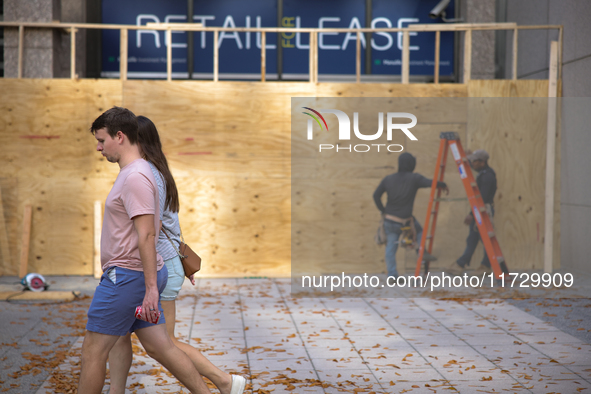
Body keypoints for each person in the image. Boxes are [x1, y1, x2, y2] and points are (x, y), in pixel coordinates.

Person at [107, 116, 246, 394]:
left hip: (158, 264)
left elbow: (150, 230)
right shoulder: (156, 170)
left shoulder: (146, 175)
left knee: (163, 344)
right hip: (161, 264)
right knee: (120, 336)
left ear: (137, 140)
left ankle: (224, 381)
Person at [79, 107, 211, 394]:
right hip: (133, 275)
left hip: (127, 276)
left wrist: (151, 288)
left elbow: (148, 233)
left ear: (120, 136)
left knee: (92, 351)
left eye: (102, 141)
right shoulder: (136, 172)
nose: (99, 148)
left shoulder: (136, 176)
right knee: (161, 346)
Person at [373, 152, 448, 279]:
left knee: (391, 248)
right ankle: (421, 251)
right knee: (419, 232)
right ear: (412, 164)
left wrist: (383, 211)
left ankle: (392, 275)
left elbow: (376, 196)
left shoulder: (388, 179)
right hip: (406, 221)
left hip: (390, 220)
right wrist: (443, 185)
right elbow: (431, 183)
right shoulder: (414, 178)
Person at [449, 149, 497, 275]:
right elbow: (471, 165)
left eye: (474, 161)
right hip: (480, 209)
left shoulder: (487, 176)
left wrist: (472, 214)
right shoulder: (483, 172)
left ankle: (485, 266)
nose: (472, 164)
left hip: (483, 210)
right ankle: (461, 263)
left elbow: (483, 198)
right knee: (472, 238)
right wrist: (466, 157)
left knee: (484, 239)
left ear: (482, 162)